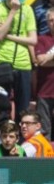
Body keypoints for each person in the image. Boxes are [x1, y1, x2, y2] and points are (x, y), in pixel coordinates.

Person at [0, 0, 37, 121]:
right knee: (1, 105)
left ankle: (21, 139)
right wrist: (12, 11)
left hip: (23, 63)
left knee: (23, 107)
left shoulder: (28, 10)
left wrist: (9, 36)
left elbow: (33, 40)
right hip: (3, 61)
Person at [34, 8, 54, 139]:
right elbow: (40, 61)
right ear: (47, 22)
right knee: (45, 131)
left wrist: (49, 57)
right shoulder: (41, 39)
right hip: (45, 91)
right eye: (51, 20)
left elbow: (45, 60)